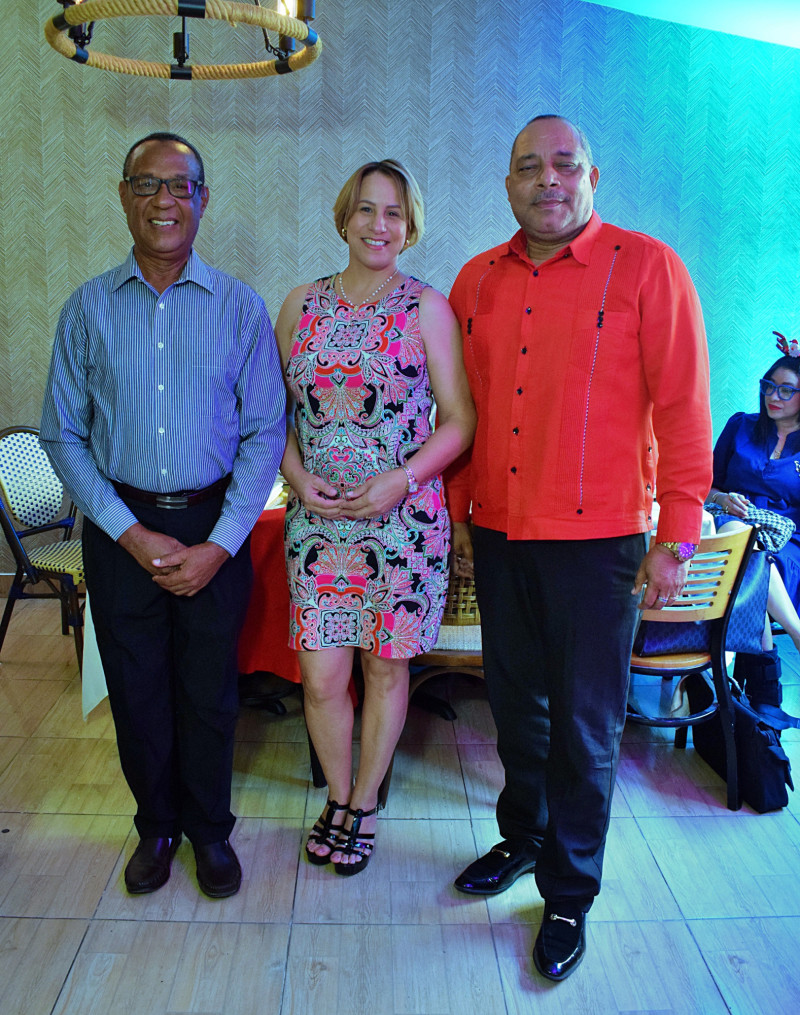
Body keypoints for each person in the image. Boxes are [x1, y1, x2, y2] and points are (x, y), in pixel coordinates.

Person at [445, 115, 712, 981]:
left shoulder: (649, 267)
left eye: (564, 164)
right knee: (515, 707)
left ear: (596, 174)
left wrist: (676, 534)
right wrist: (457, 513)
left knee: (588, 726)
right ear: (508, 182)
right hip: (499, 528)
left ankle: (568, 891)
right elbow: (466, 413)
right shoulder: (474, 280)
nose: (547, 179)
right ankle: (522, 838)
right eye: (528, 166)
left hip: (602, 544)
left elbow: (682, 410)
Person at [40, 132, 286, 899]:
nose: (164, 201)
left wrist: (218, 543)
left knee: (209, 689)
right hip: (121, 527)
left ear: (203, 200)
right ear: (123, 197)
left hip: (214, 521)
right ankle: (157, 826)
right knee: (139, 687)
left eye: (181, 186)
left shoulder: (241, 308)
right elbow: (62, 433)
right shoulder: (86, 310)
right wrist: (128, 530)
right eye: (147, 185)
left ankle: (210, 831)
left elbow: (264, 432)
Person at [275, 159, 475, 876]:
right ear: (344, 217)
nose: (378, 224)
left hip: (402, 525)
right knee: (322, 675)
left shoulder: (428, 307)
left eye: (393, 212)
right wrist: (296, 477)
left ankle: (362, 801)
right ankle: (335, 792)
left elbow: (459, 422)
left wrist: (402, 479)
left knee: (386, 671)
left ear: (410, 226)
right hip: (318, 527)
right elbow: (276, 421)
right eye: (365, 209)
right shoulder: (300, 304)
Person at [708, 338, 800, 718]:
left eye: (786, 390)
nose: (772, 396)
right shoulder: (740, 426)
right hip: (732, 524)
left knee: (755, 563)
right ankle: (772, 682)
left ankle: (741, 683)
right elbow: (704, 485)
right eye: (768, 385)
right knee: (747, 553)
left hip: (786, 539)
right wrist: (725, 499)